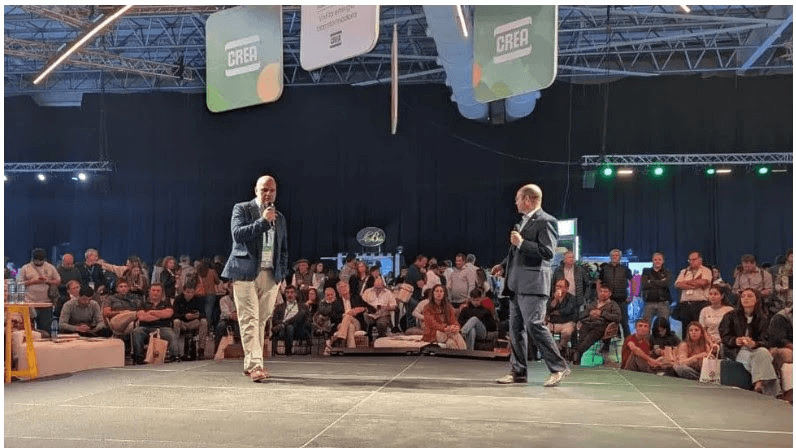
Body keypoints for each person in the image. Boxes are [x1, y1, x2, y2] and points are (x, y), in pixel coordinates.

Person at [495, 184, 570, 386]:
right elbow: (516, 253)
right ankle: (518, 372)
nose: (515, 202)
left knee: (534, 325)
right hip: (516, 284)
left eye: (518, 198)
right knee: (515, 329)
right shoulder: (523, 222)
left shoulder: (547, 221)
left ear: (528, 199)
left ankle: (559, 367)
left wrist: (521, 243)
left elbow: (548, 252)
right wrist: (503, 265)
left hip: (534, 285)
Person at [221, 175, 288, 382]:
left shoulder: (280, 217)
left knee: (261, 320)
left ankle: (251, 363)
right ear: (256, 190)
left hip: (270, 274)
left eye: (272, 190)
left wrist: (281, 274)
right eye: (264, 189)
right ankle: (256, 366)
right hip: (245, 272)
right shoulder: (242, 209)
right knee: (249, 318)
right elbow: (238, 235)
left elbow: (283, 249)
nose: (268, 193)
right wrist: (263, 221)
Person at [719, 288, 781, 396]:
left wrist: (755, 344)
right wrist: (735, 340)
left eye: (749, 296)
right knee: (760, 357)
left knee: (762, 352)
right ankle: (771, 391)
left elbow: (767, 340)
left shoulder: (763, 318)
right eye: (743, 296)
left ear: (757, 299)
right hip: (736, 350)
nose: (745, 298)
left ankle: (758, 385)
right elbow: (724, 336)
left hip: (756, 349)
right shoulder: (730, 316)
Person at [573, 284, 622, 364]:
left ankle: (577, 351)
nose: (602, 293)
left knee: (591, 336)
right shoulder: (593, 304)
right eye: (601, 291)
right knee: (583, 331)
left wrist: (601, 313)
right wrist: (590, 313)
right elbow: (581, 315)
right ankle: (577, 353)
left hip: (601, 326)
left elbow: (618, 318)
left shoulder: (613, 305)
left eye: (605, 292)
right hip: (588, 323)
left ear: (610, 294)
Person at [132, 283, 180, 364]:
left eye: (158, 291)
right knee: (137, 331)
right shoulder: (143, 303)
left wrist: (151, 312)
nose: (156, 293)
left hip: (163, 328)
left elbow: (169, 314)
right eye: (153, 290)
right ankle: (138, 358)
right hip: (145, 328)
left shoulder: (166, 303)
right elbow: (142, 317)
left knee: (171, 334)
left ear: (162, 293)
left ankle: (174, 357)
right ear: (149, 292)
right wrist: (161, 315)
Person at [17, 248, 61, 335]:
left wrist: (47, 281)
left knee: (46, 329)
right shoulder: (25, 268)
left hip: (46, 303)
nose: (39, 262)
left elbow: (58, 281)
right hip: (30, 302)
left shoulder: (50, 267)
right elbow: (19, 283)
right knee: (29, 328)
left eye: (41, 260)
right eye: (37, 260)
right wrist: (33, 281)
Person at [674, 251, 712, 339]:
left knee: (699, 328)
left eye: (694, 259)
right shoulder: (684, 271)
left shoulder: (706, 271)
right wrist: (694, 284)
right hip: (686, 305)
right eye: (690, 260)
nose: (691, 262)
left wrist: (686, 283)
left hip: (700, 304)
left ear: (700, 260)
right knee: (686, 329)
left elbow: (703, 282)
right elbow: (678, 284)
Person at [598, 249, 633, 338]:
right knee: (607, 323)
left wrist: (632, 295)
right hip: (608, 301)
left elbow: (633, 282)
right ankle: (607, 344)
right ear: (610, 257)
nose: (614, 257)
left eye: (616, 255)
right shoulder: (605, 269)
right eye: (613, 255)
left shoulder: (625, 269)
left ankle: (628, 342)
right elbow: (598, 282)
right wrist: (599, 294)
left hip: (622, 300)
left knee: (624, 322)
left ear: (620, 257)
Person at [422, 284, 466, 350]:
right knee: (455, 334)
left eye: (441, 291)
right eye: (437, 291)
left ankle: (458, 355)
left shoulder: (448, 307)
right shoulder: (427, 307)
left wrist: (456, 327)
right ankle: (465, 353)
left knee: (450, 343)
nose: (439, 293)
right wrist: (445, 328)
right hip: (433, 333)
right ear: (433, 294)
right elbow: (433, 324)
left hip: (447, 332)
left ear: (444, 294)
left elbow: (453, 320)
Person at [172, 284, 209, 360]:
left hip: (194, 322)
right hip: (182, 322)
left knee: (204, 322)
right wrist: (184, 316)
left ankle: (201, 349)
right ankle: (175, 350)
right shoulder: (178, 299)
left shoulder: (198, 299)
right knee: (176, 322)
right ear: (184, 291)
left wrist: (197, 315)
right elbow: (174, 314)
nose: (190, 294)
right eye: (188, 292)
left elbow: (204, 314)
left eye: (192, 292)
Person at [271, 284, 310, 356]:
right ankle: (288, 351)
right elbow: (274, 321)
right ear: (285, 294)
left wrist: (285, 323)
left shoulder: (303, 307)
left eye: (292, 292)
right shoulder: (279, 307)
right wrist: (285, 324)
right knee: (289, 327)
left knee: (301, 313)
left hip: (299, 329)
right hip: (283, 331)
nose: (290, 295)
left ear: (296, 294)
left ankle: (285, 324)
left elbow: (308, 321)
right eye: (287, 292)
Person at [546, 278, 579, 354]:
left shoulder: (572, 298)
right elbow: (548, 310)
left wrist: (555, 312)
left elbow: (567, 311)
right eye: (557, 286)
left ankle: (560, 348)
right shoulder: (552, 298)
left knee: (567, 332)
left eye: (560, 286)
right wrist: (556, 300)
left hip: (567, 323)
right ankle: (550, 348)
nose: (558, 288)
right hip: (554, 323)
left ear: (566, 288)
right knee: (543, 330)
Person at [767, 306, 793, 403]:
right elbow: (779, 340)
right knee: (787, 354)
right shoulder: (782, 317)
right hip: (781, 348)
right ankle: (788, 393)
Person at [640, 252, 672, 322]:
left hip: (663, 302)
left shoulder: (667, 272)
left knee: (664, 324)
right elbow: (645, 284)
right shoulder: (646, 271)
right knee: (646, 323)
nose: (657, 261)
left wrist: (651, 281)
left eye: (659, 260)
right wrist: (660, 282)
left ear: (663, 261)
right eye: (655, 259)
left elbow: (666, 284)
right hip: (649, 302)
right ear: (652, 260)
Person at [316, 286, 344, 355]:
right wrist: (331, 305)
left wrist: (331, 310)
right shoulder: (322, 302)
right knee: (327, 327)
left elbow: (339, 314)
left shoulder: (338, 302)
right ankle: (329, 345)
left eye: (331, 295)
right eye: (328, 295)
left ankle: (329, 346)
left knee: (337, 326)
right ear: (325, 296)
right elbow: (323, 311)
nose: (330, 297)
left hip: (336, 321)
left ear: (334, 295)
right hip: (324, 323)